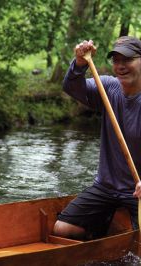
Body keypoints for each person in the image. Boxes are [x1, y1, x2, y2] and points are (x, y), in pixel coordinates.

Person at [52, 36, 141, 240]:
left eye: (127, 60)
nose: (120, 66)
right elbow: (71, 86)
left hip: (138, 192)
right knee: (62, 229)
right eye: (116, 60)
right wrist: (80, 63)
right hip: (106, 187)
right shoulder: (108, 87)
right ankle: (105, 232)